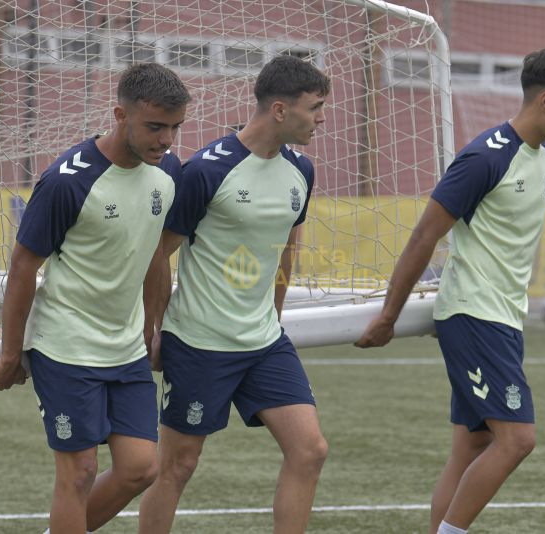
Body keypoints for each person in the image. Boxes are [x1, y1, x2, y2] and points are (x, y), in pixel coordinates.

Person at [355, 48, 545, 534]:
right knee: (518, 440)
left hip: (504, 317)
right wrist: (388, 314)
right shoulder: (485, 157)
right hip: (473, 315)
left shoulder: (544, 154)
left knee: (472, 447)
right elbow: (425, 235)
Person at [0, 63, 190, 534]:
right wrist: (13, 352)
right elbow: (22, 267)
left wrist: (150, 327)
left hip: (125, 348)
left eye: (175, 127)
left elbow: (156, 255)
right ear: (121, 115)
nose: (166, 140)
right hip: (65, 344)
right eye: (155, 127)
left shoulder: (169, 171)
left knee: (141, 468)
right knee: (78, 474)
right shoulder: (67, 181)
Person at [138, 55, 330, 534]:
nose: (322, 117)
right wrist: (153, 331)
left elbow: (288, 247)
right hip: (200, 342)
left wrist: (276, 316)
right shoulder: (206, 170)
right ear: (280, 110)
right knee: (177, 467)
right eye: (315, 107)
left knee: (310, 451)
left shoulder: (301, 171)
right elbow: (156, 256)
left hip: (264, 343)